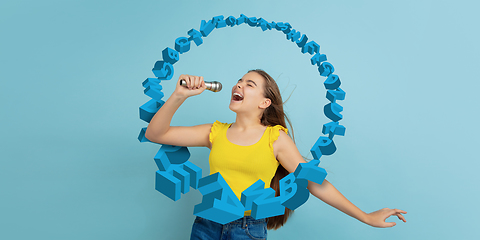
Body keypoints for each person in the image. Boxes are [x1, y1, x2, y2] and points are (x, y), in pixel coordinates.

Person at [145, 69, 407, 240]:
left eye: (249, 84)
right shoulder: (215, 132)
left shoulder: (275, 138)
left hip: (247, 230)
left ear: (264, 103)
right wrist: (180, 95)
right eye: (239, 81)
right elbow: (156, 134)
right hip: (205, 225)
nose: (239, 85)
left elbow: (315, 183)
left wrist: (365, 216)